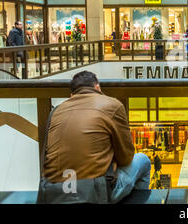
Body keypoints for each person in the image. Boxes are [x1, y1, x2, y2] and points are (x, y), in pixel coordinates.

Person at [43, 71, 151, 203]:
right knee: (143, 160)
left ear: (72, 95)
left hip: (56, 193)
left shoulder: (56, 111)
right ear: (97, 87)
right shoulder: (112, 105)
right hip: (96, 193)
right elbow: (126, 158)